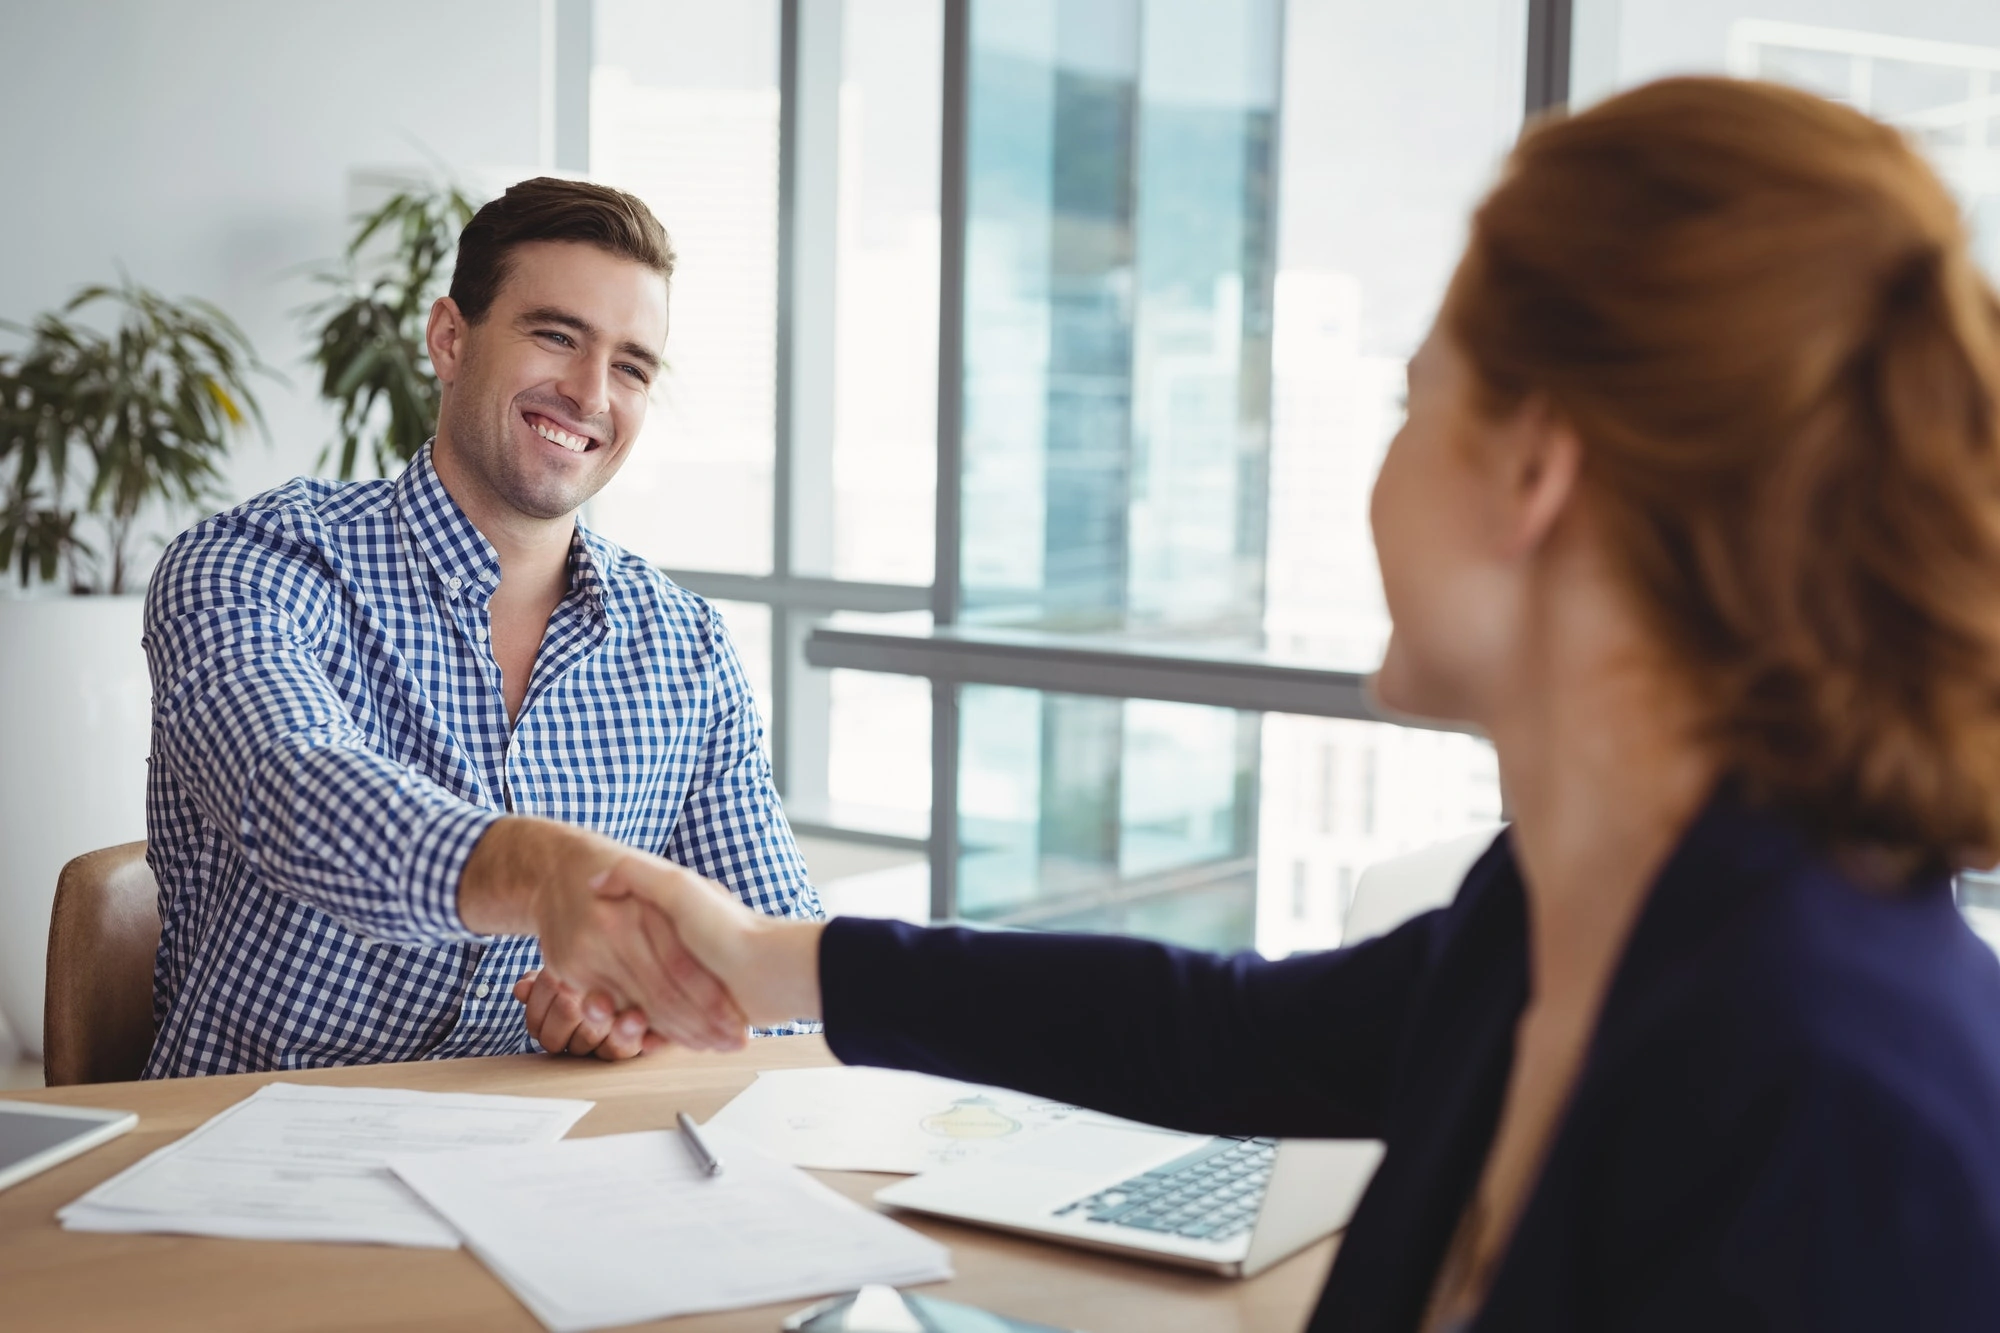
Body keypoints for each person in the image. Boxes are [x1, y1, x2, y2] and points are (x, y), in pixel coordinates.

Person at [569, 79, 2000, 1328]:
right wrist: (770, 958)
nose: (1377, 473)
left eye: (1410, 398)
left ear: (1534, 472)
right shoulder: (1571, 911)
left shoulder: (1838, 1105)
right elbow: (1220, 1032)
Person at [141, 177, 816, 1078]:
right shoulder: (255, 563)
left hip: (537, 1170)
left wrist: (655, 1014)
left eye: (631, 366)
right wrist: (547, 875)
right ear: (450, 338)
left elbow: (773, 965)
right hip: (239, 1153)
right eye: (556, 335)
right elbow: (299, 797)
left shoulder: (684, 649)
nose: (589, 393)